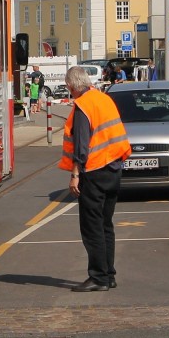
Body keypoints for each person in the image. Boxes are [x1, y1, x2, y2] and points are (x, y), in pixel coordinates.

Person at [59, 66, 132, 292]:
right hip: (113, 168)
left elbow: (81, 147)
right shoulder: (104, 99)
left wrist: (75, 175)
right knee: (105, 224)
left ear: (72, 86)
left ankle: (99, 277)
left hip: (94, 171)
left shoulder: (83, 106)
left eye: (69, 88)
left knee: (92, 227)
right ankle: (108, 274)